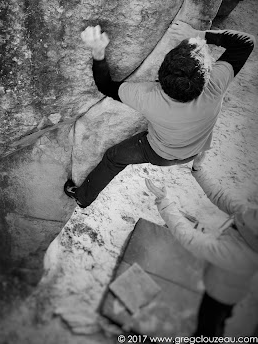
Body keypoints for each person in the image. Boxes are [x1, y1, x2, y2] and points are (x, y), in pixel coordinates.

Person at [64, 21, 255, 208]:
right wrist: (198, 34)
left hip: (159, 153)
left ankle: (83, 197)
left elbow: (105, 85)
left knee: (113, 157)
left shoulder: (148, 97)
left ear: (161, 77)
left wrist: (98, 50)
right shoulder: (214, 85)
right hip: (194, 150)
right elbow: (246, 42)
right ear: (205, 76)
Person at [145, 160, 258, 337]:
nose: (252, 209)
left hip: (220, 294)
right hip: (225, 280)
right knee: (220, 318)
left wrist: (163, 202)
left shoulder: (238, 255)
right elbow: (220, 196)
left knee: (208, 327)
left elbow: (190, 237)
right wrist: (198, 170)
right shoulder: (248, 218)